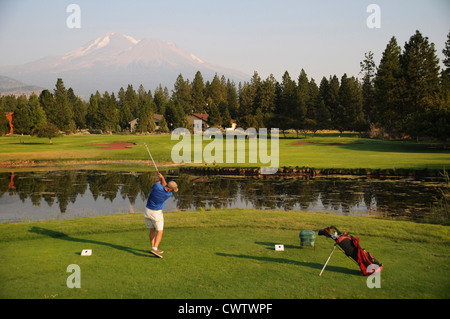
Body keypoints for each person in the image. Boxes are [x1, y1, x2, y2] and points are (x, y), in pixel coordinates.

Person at [145, 172, 178, 258]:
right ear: (171, 189)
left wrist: (160, 178)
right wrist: (162, 178)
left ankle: (153, 248)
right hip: (156, 213)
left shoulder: (156, 186)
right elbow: (165, 186)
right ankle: (155, 248)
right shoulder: (168, 194)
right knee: (160, 231)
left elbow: (161, 184)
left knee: (152, 229)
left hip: (147, 211)